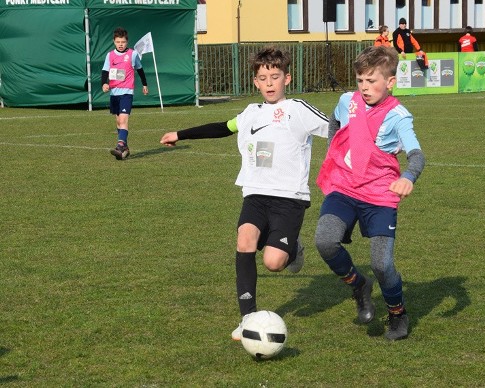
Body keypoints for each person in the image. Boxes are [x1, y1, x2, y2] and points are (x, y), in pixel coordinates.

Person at [159, 46, 329, 340]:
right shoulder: (251, 113)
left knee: (273, 263)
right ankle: (247, 317)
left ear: (287, 78)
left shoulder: (298, 110)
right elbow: (223, 128)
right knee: (245, 239)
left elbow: (338, 130)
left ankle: (293, 247)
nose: (269, 83)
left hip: (289, 197)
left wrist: (379, 140)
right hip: (255, 194)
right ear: (255, 82)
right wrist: (181, 134)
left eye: (275, 77)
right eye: (263, 78)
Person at [314, 46, 426, 341]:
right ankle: (358, 285)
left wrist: (408, 176)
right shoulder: (346, 101)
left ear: (390, 82)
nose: (364, 88)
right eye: (360, 80)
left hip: (379, 193)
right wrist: (333, 152)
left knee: (381, 264)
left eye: (372, 81)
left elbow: (417, 155)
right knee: (325, 242)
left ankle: (398, 314)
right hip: (345, 187)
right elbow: (334, 120)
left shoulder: (399, 116)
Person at [102, 27, 149, 160]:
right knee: (118, 122)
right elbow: (105, 71)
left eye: (123, 42)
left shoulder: (133, 54)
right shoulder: (110, 55)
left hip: (127, 92)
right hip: (114, 93)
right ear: (114, 42)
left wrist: (144, 84)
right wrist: (104, 84)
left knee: (123, 119)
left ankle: (120, 145)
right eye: (118, 42)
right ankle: (125, 149)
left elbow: (140, 70)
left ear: (127, 41)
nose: (120, 44)